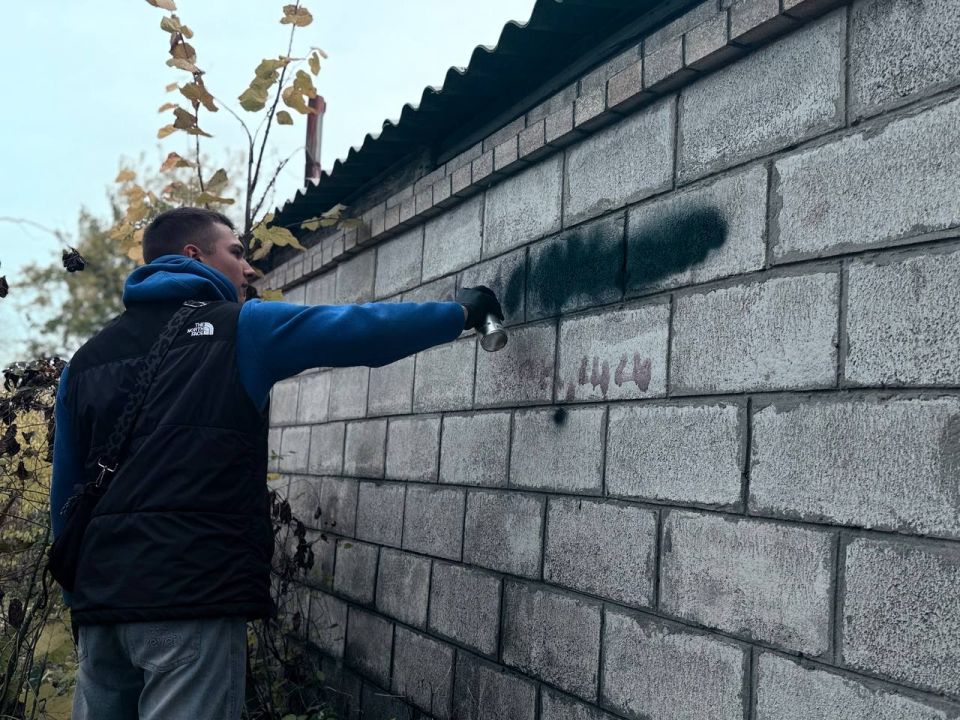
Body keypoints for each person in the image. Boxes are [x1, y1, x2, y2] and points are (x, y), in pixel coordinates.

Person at [49, 206, 504, 720]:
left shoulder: (85, 360)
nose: (249, 269)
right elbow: (361, 330)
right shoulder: (241, 327)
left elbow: (65, 497)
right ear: (194, 256)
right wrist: (460, 313)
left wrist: (82, 600)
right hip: (190, 597)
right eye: (237, 253)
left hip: (100, 605)